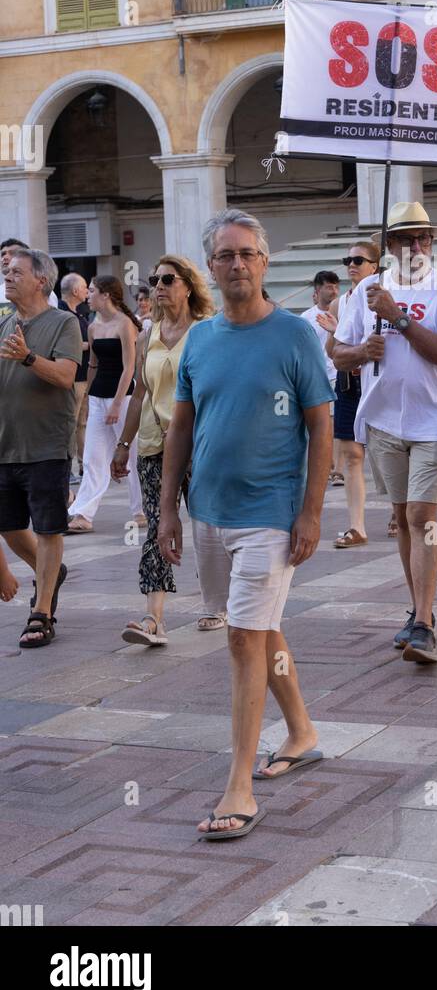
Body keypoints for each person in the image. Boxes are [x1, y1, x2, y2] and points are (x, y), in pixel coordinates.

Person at [158, 209, 334, 839]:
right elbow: (182, 426)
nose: (237, 264)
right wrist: (166, 511)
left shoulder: (294, 336)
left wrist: (311, 512)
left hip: (270, 515)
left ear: (264, 263)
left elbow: (320, 426)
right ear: (211, 265)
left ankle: (238, 785)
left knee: (241, 640)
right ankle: (302, 730)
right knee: (259, 629)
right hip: (209, 511)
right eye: (225, 254)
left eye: (248, 254)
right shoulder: (199, 340)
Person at [332, 202, 437, 667]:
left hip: (433, 420)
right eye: (406, 238)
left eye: (423, 238)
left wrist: (399, 318)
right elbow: (336, 352)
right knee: (404, 516)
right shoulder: (367, 289)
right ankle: (418, 609)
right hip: (384, 418)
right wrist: (359, 350)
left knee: (423, 514)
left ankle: (425, 622)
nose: (416, 246)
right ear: (389, 246)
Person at [111, 256, 215, 646]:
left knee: (208, 525)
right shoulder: (146, 334)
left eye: (168, 279)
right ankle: (153, 619)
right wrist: (124, 444)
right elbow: (140, 393)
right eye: (155, 279)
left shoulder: (208, 332)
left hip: (201, 443)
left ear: (188, 285)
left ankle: (216, 604)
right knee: (157, 526)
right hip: (155, 446)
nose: (158, 286)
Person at [0, 247, 80, 647]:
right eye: (7, 271)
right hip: (5, 444)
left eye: (17, 272)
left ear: (41, 280)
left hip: (47, 443)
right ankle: (51, 572)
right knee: (11, 527)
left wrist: (29, 357)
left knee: (48, 528)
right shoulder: (3, 323)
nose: (8, 276)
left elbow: (66, 376)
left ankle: (42, 611)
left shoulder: (64, 322)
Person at [67, 276, 144, 535]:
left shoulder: (125, 325)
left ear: (106, 295)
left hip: (122, 398)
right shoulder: (92, 325)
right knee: (92, 457)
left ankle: (140, 509)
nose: (87, 295)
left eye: (91, 291)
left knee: (130, 454)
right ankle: (83, 514)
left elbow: (129, 367)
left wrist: (117, 403)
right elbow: (93, 365)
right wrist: (89, 397)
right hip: (99, 397)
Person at [320, 242, 380, 548]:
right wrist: (334, 330)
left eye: (359, 259)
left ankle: (400, 513)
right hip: (348, 382)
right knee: (353, 455)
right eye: (348, 260)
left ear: (375, 266)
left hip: (378, 381)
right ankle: (357, 526)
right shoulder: (339, 304)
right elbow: (333, 353)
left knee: (386, 453)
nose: (352, 265)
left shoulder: (383, 296)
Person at [301, 270, 341, 487]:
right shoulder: (306, 318)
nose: (333, 290)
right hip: (316, 376)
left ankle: (335, 468)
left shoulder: (343, 312)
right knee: (319, 423)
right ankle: (327, 465)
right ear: (317, 291)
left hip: (337, 373)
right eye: (328, 286)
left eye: (336, 286)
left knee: (335, 423)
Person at [58, 272, 90, 485]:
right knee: (70, 422)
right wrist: (89, 345)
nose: (88, 291)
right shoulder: (60, 313)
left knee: (82, 423)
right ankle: (67, 469)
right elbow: (62, 345)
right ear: (76, 291)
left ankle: (84, 466)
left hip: (85, 376)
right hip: (73, 377)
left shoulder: (78, 314)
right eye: (86, 287)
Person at [0, 238, 59, 316]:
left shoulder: (43, 291)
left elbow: (50, 321)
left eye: (13, 253)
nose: (5, 257)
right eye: (3, 254)